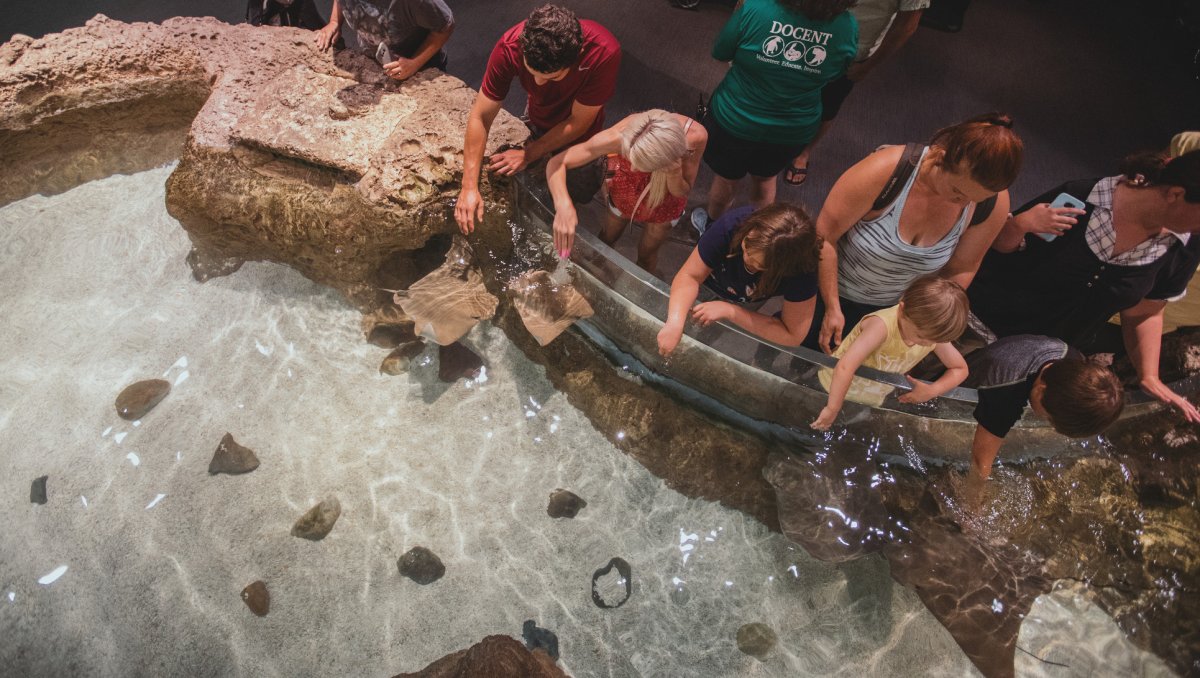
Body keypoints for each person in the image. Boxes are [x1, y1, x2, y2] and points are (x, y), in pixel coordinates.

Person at [968, 149, 1200, 423]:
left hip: (1044, 361)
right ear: (1175, 194)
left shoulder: (1183, 248)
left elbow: (1145, 311)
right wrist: (1021, 224)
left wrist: (1148, 375)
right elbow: (997, 246)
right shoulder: (1080, 198)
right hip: (977, 328)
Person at [807, 113, 1022, 354]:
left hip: (894, 313)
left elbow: (962, 268)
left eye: (974, 199)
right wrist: (832, 306)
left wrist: (922, 319)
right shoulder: (885, 170)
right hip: (827, 290)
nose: (963, 204)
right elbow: (823, 237)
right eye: (957, 192)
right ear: (940, 157)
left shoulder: (992, 202)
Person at [690, 0, 858, 231]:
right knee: (766, 179)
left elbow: (720, 52)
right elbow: (837, 74)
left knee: (727, 180)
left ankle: (710, 229)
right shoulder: (847, 26)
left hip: (735, 118)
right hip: (793, 129)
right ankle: (756, 237)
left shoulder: (757, 7)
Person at [455, 4, 621, 234]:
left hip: (582, 135)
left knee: (578, 189)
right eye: (531, 73)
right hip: (539, 116)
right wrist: (469, 186)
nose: (539, 84)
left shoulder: (603, 51)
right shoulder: (510, 46)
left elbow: (578, 122)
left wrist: (529, 153)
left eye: (551, 77)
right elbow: (481, 116)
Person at [962, 334, 1124, 500]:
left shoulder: (1073, 362)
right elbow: (979, 461)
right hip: (963, 384)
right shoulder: (1007, 393)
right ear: (1040, 390)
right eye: (1048, 418)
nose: (1047, 422)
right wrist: (972, 509)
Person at [786, 0, 929, 185]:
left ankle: (804, 152)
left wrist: (869, 66)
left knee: (827, 105)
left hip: (852, 48)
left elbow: (907, 25)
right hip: (803, 29)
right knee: (784, 89)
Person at [545, 110, 708, 268]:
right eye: (631, 160)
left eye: (642, 166)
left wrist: (674, 172)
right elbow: (557, 163)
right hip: (625, 190)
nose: (635, 169)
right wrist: (563, 205)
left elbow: (682, 191)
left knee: (647, 254)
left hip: (666, 201)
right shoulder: (617, 138)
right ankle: (594, 268)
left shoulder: (694, 138)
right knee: (606, 238)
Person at [657, 203, 822, 356]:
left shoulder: (803, 271)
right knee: (674, 318)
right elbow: (690, 276)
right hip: (708, 282)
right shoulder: (734, 223)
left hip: (747, 299)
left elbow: (792, 335)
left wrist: (732, 312)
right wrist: (674, 323)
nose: (747, 260)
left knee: (710, 333)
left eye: (759, 264)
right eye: (746, 248)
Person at [812, 274, 969, 429]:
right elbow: (845, 366)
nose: (926, 344)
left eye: (934, 341)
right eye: (920, 337)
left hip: (869, 399)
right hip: (828, 388)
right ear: (902, 309)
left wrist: (933, 390)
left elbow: (960, 369)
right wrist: (833, 407)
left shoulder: (930, 334)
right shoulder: (881, 326)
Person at [315, 0, 454, 80]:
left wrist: (414, 63)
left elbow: (445, 26)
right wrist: (334, 21)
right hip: (375, 60)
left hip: (419, 66)